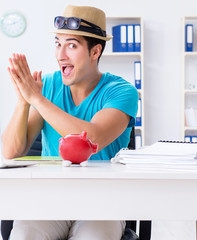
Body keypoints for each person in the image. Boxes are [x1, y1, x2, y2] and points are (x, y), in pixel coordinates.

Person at [1, 5, 138, 240]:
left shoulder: (121, 91)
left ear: (95, 52)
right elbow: (11, 152)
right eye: (58, 43)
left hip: (103, 202)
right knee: (23, 235)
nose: (60, 55)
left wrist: (36, 98)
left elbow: (92, 139)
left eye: (72, 45)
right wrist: (24, 102)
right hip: (50, 198)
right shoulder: (49, 87)